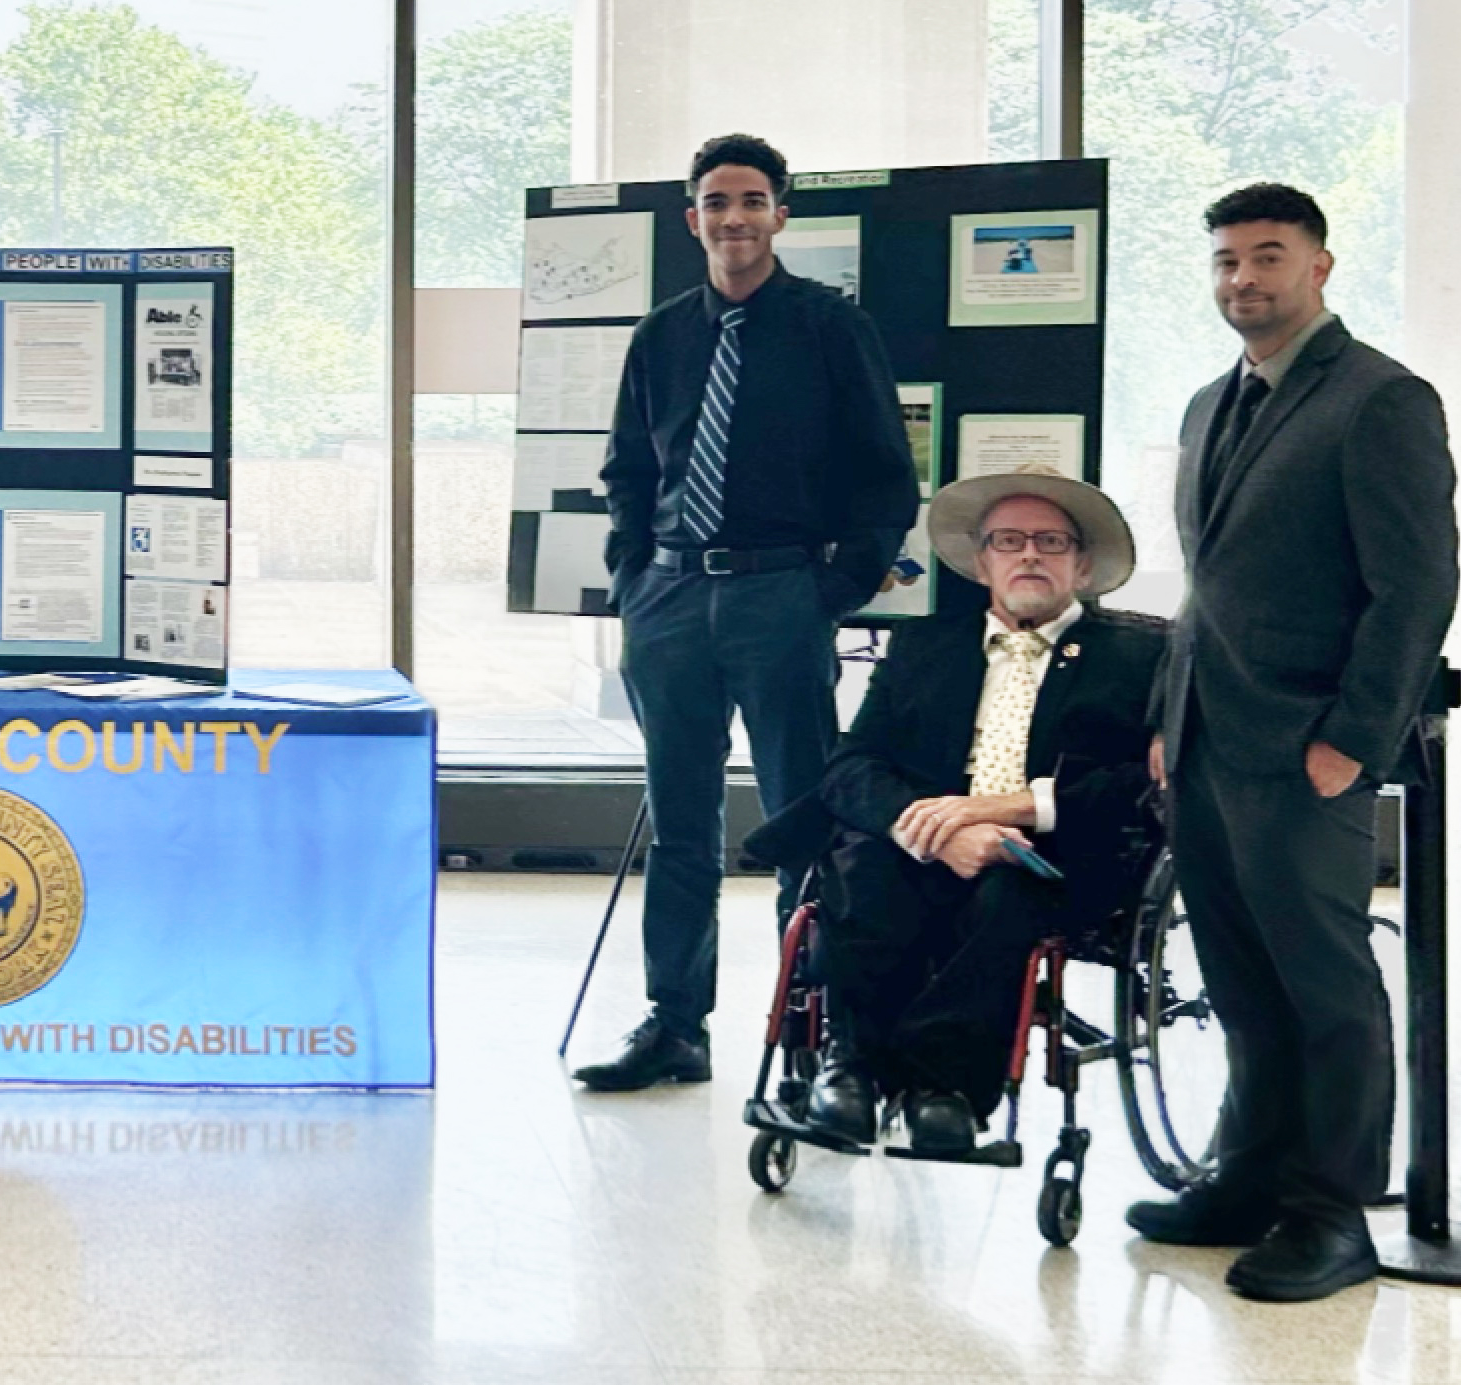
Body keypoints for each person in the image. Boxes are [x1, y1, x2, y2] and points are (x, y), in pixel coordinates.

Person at [1127, 183, 1457, 1303]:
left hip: (1307, 745)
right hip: (1209, 739)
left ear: (1318, 267)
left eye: (1267, 257)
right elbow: (1203, 587)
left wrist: (1352, 742)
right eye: (1225, 261)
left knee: (1324, 986)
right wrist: (1169, 718)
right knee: (1239, 980)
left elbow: (1415, 588)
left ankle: (1331, 1212)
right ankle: (1248, 1175)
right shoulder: (1206, 404)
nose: (1242, 280)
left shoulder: (1379, 401)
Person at [579, 133, 917, 1092]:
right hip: (672, 602)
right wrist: (633, 579)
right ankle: (675, 1024)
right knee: (680, 825)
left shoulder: (829, 327)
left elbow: (885, 475)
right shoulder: (662, 336)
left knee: (800, 820)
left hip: (781, 596)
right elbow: (630, 472)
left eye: (753, 200)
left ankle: (814, 1030)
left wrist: (830, 590)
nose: (734, 217)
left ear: (781, 216)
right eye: (716, 202)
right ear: (693, 219)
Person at [748, 471, 1161, 1152]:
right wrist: (933, 830)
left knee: (1009, 894)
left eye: (1051, 541)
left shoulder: (1141, 656)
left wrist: (1008, 811)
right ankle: (852, 1069)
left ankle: (944, 1086)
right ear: (981, 561)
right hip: (921, 837)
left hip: (1051, 850)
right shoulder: (925, 643)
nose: (1030, 554)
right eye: (1009, 540)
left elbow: (1138, 785)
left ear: (1082, 565)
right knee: (863, 869)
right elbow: (852, 766)